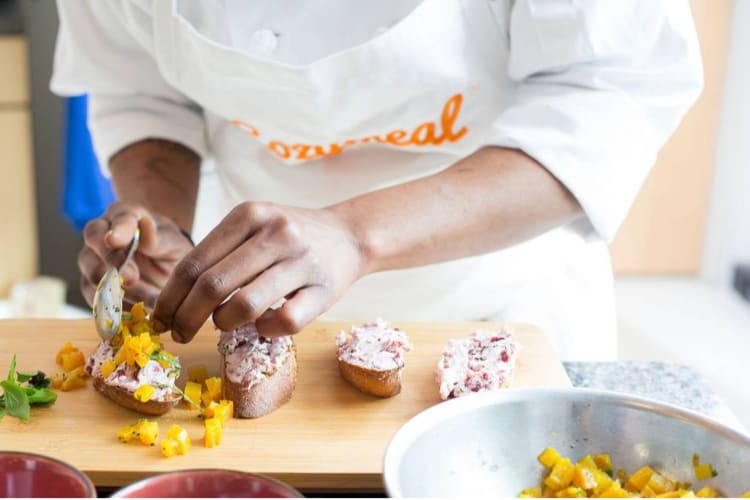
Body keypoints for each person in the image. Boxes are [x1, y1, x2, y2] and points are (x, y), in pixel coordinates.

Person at [51, 0, 702, 361]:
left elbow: (609, 96)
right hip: (246, 308)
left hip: (497, 296)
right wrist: (166, 224)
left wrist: (352, 233)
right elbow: (141, 85)